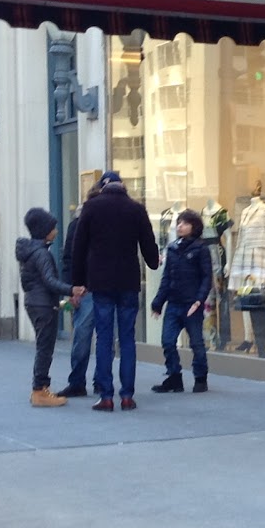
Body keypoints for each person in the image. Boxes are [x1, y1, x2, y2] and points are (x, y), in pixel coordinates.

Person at [70, 170, 159, 412]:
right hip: (129, 281)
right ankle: (127, 396)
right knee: (128, 339)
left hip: (101, 282)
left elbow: (79, 247)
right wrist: (153, 260)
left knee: (105, 337)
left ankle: (106, 396)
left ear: (103, 186)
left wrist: (77, 282)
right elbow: (150, 250)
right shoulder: (136, 209)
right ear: (123, 186)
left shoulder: (91, 207)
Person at [150, 209, 213, 393]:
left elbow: (206, 277)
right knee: (168, 341)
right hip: (174, 304)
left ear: (194, 226)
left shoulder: (201, 249)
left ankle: (200, 377)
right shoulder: (172, 248)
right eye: (179, 223)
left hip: (191, 304)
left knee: (196, 343)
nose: (180, 226)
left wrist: (198, 301)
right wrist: (158, 303)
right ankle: (174, 377)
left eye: (184, 223)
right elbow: (166, 278)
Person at [17, 208, 75, 407]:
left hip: (35, 302)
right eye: (53, 227)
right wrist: (72, 290)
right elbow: (49, 281)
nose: (56, 231)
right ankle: (39, 390)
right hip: (42, 304)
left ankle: (41, 388)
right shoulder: (42, 254)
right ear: (44, 230)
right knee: (45, 348)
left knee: (44, 347)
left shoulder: (31, 252)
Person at [56, 184, 104, 398]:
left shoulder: (111, 225)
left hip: (106, 288)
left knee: (105, 340)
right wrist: (71, 289)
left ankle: (101, 380)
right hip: (85, 289)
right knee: (82, 337)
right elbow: (68, 258)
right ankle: (77, 381)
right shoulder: (76, 225)